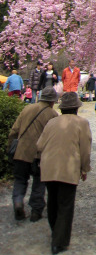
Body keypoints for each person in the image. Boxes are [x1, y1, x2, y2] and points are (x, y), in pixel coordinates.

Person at [36, 91, 91, 255]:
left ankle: (56, 233)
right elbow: (85, 150)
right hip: (68, 168)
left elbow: (39, 145)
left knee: (52, 202)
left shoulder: (52, 122)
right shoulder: (82, 123)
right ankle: (58, 242)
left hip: (48, 167)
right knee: (66, 205)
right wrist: (84, 168)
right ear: (76, 108)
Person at [7, 86, 59, 221]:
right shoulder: (52, 115)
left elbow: (14, 130)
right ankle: (36, 211)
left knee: (20, 180)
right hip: (38, 155)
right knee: (39, 182)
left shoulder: (27, 108)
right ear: (52, 101)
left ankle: (18, 202)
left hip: (21, 152)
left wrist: (10, 147)